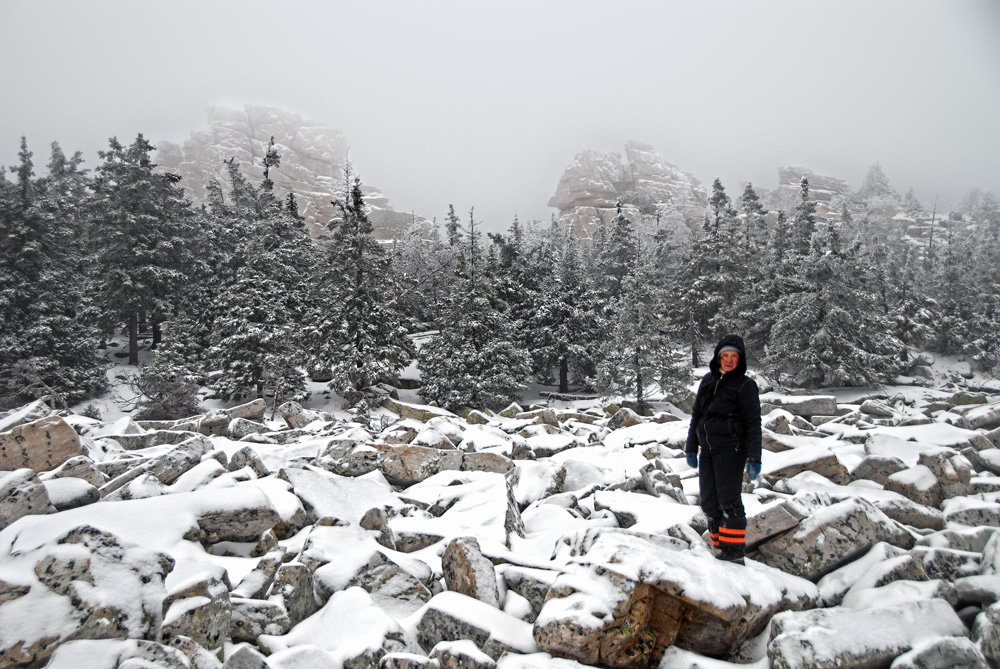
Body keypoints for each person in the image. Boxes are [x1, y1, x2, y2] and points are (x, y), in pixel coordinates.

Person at [685, 334, 762, 565]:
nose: (728, 360)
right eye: (724, 356)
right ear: (718, 357)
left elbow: (753, 423)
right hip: (707, 450)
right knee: (709, 503)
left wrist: (754, 456)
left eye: (733, 356)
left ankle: (734, 552)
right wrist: (691, 446)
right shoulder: (708, 381)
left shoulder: (746, 386)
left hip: (731, 450)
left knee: (729, 502)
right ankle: (720, 547)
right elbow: (697, 415)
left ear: (740, 359)